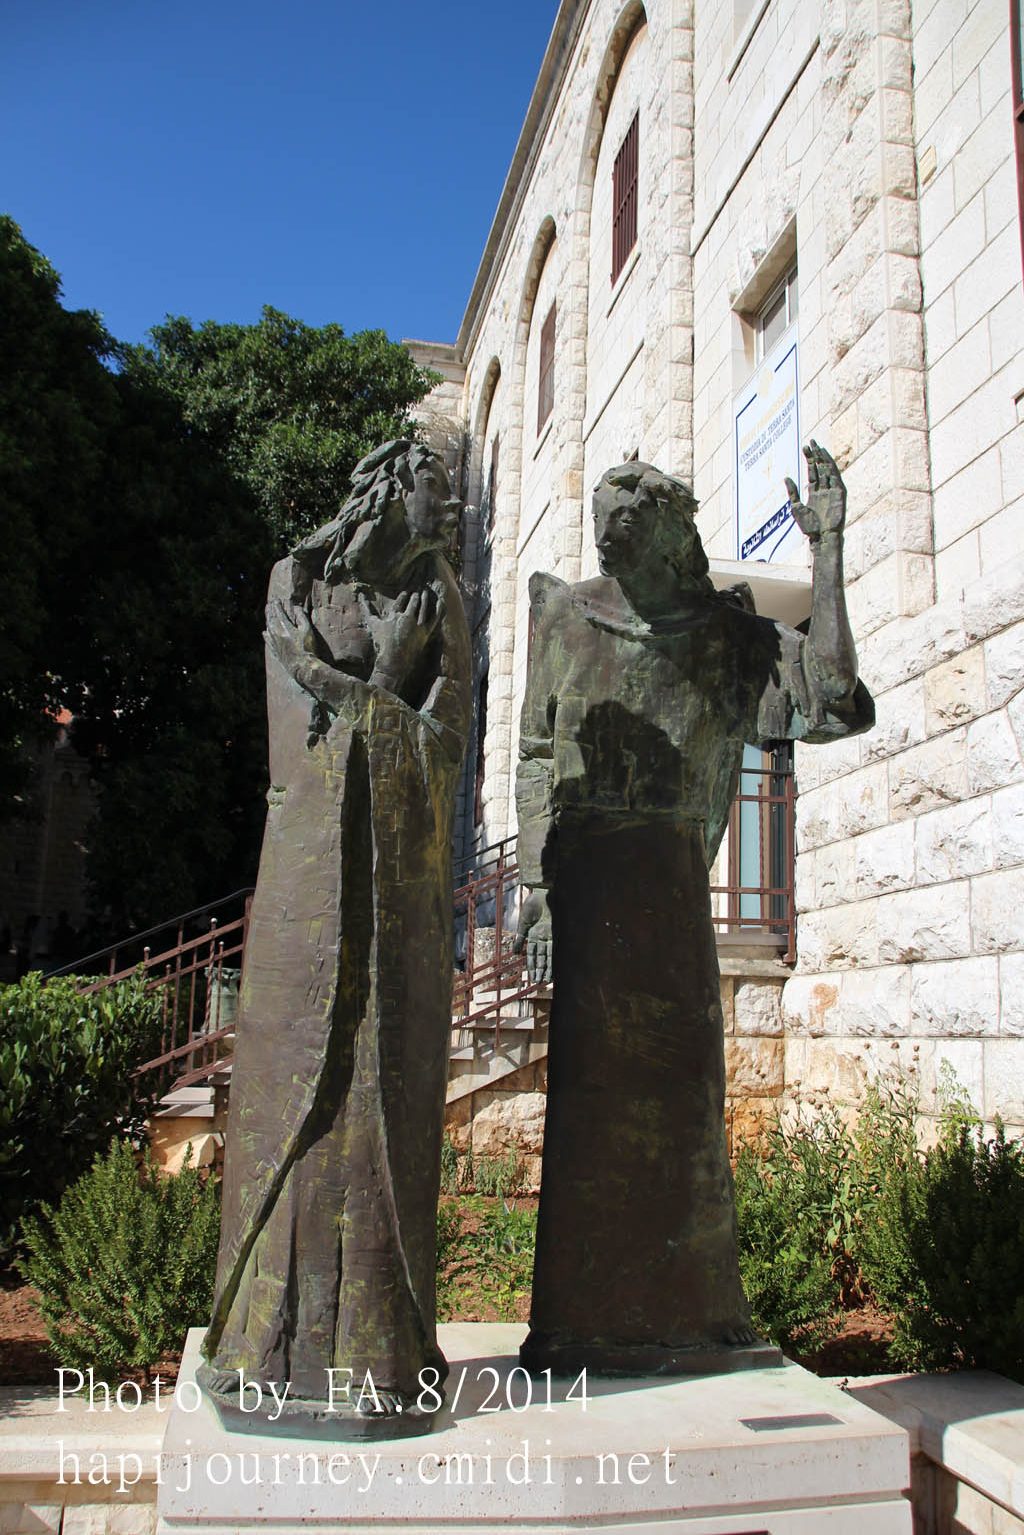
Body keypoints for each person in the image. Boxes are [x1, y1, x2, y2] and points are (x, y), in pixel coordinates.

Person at [514, 443, 874, 1374]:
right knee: (589, 1115)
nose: (610, 536)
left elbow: (834, 703)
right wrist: (537, 889)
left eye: (628, 521)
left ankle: (693, 1316)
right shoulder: (563, 615)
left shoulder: (728, 636)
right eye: (603, 522)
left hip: (671, 894)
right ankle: (579, 1324)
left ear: (671, 533)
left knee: (684, 1107)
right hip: (587, 886)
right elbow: (537, 756)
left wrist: (829, 553)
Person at [199, 440, 471, 1436]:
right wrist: (386, 677)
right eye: (436, 487)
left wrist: (373, 684)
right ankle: (264, 1347)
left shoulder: (442, 598)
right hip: (309, 880)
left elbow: (445, 745)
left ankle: (376, 1352)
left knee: (380, 1098)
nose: (450, 505)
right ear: (392, 490)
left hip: (397, 892)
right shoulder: (299, 580)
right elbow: (301, 737)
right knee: (291, 1095)